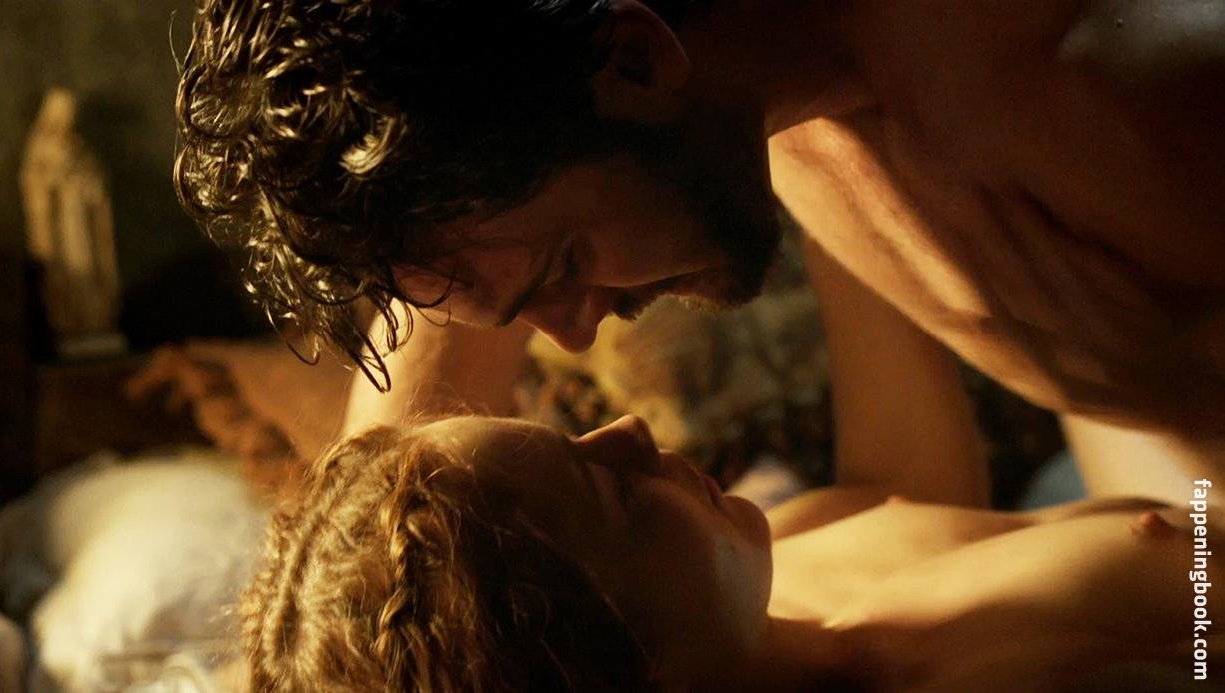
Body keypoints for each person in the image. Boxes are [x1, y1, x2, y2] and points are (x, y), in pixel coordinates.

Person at [173, 0, 1225, 469]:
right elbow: (379, 519)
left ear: (637, 61)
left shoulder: (1112, 89)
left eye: (566, 267)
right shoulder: (535, 125)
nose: (568, 335)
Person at [240, 244, 1219, 691]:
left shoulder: (766, 591)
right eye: (606, 488)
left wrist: (831, 208)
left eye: (574, 438)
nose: (626, 429)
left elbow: (907, 498)